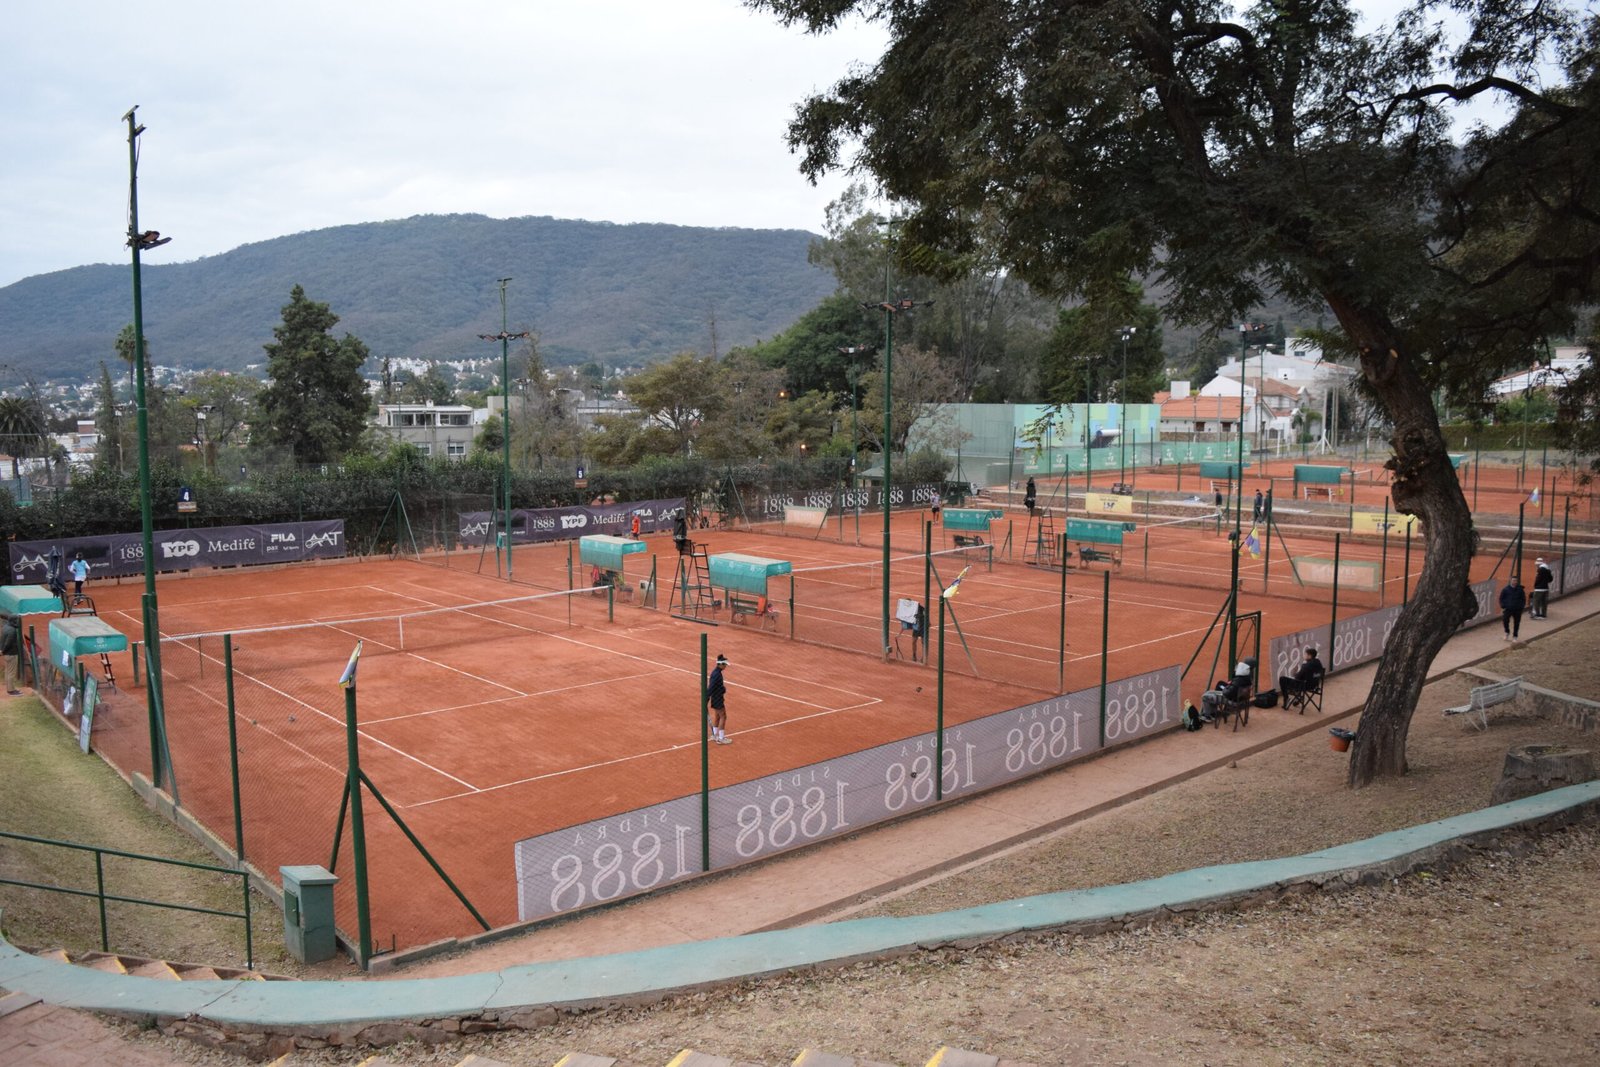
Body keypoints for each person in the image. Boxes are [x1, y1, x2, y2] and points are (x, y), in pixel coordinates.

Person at [706, 653, 731, 745]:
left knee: (717, 716)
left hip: (716, 697)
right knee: (723, 716)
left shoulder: (716, 672)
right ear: (720, 664)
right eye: (724, 665)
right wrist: (707, 697)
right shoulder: (717, 674)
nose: (725, 666)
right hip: (717, 698)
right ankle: (721, 738)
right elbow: (711, 687)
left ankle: (715, 735)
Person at [1499, 575, 1527, 640]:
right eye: (1513, 580)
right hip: (1508, 609)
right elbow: (1501, 598)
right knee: (1505, 620)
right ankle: (1507, 632)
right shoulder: (1505, 589)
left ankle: (1515, 636)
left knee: (1516, 623)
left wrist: (1521, 607)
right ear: (1510, 581)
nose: (1514, 582)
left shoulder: (1520, 590)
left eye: (1516, 581)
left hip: (1517, 609)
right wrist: (1503, 605)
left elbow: (1523, 599)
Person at [1, 610, 22, 695]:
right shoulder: (12, 631)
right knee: (11, 673)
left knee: (7, 671)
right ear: (13, 621)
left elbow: (2, 640)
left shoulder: (5, 627)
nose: (17, 622)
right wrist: (3, 651)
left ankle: (10, 688)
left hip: (7, 654)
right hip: (11, 654)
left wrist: (1, 650)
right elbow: (8, 643)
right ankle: (11, 691)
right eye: (16, 620)